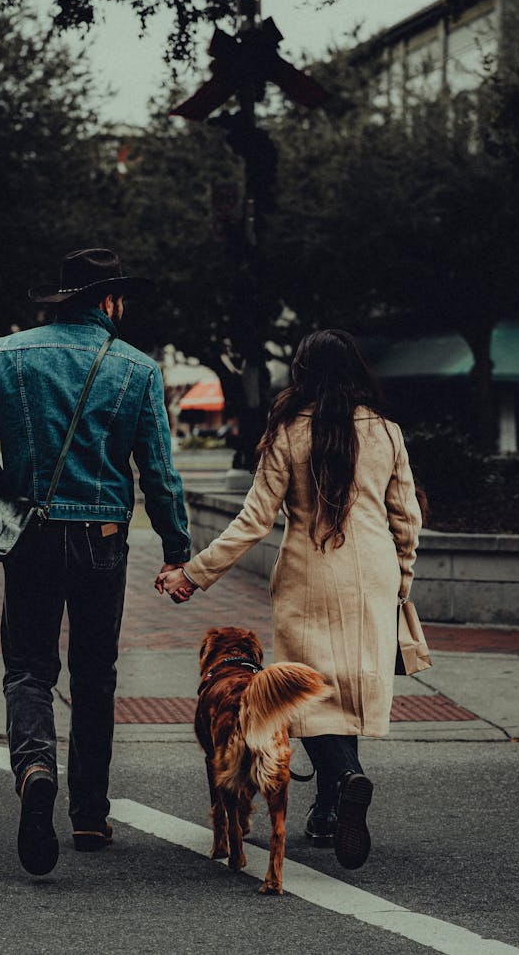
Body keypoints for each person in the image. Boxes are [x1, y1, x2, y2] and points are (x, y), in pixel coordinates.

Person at [0, 248, 191, 875]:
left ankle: (34, 767)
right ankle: (89, 814)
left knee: (29, 668)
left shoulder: (9, 354)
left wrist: (2, 497)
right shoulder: (138, 370)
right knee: (95, 674)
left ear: (64, 299)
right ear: (109, 300)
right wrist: (176, 546)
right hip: (103, 537)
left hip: (31, 530)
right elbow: (159, 474)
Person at [157, 329, 422, 870]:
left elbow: (254, 521)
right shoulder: (388, 432)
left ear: (301, 373)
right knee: (346, 690)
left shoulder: (287, 432)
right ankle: (331, 806)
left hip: (309, 575)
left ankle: (343, 785)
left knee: (307, 697)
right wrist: (402, 581)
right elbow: (407, 518)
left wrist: (194, 572)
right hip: (373, 573)